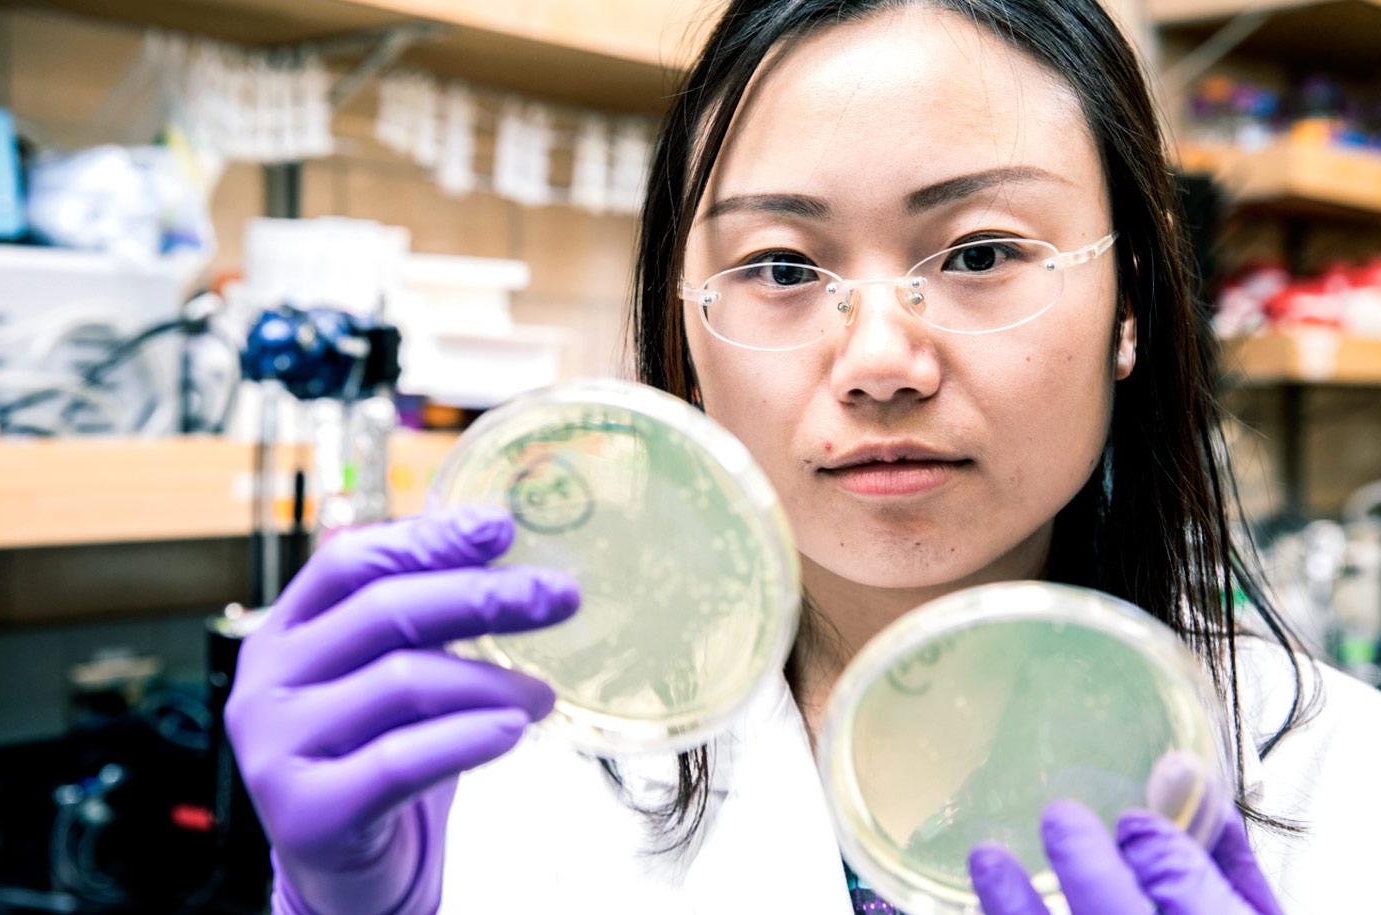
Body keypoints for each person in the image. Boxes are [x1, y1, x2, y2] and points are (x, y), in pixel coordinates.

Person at [223, 1, 1381, 912]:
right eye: (781, 267)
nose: (881, 360)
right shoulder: (515, 764)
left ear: (1131, 303)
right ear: (682, 335)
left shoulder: (1339, 792)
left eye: (979, 252)